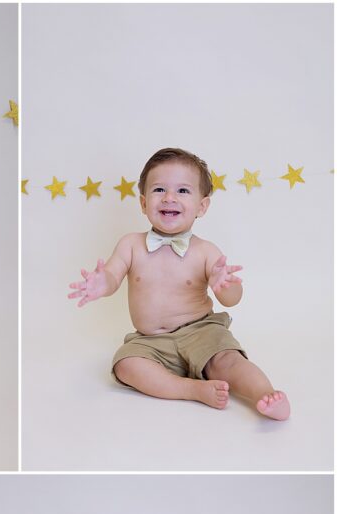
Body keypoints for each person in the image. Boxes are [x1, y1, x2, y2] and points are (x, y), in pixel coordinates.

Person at [67, 147, 289, 420]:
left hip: (202, 332)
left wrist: (226, 285)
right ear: (143, 202)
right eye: (159, 190)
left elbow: (233, 299)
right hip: (151, 341)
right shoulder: (131, 245)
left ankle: (265, 394)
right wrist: (102, 283)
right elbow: (112, 275)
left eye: (183, 191)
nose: (169, 198)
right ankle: (191, 389)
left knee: (228, 360)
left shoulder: (205, 251)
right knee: (126, 364)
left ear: (202, 206)